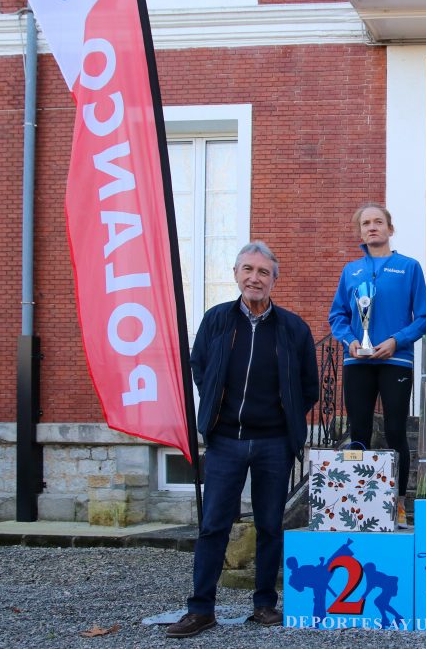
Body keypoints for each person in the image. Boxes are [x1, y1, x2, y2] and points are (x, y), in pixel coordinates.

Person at [166, 241, 319, 639]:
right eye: (248, 269)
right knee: (214, 524)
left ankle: (264, 604)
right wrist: (216, 407)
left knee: (270, 525)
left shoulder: (294, 328)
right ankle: (201, 609)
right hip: (226, 441)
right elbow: (200, 365)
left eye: (263, 272)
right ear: (236, 274)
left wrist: (286, 422)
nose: (255, 278)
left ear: (273, 280)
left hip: (274, 443)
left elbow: (309, 386)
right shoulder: (217, 320)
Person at [328, 204, 426, 527]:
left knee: (394, 431)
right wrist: (350, 341)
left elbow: (424, 318)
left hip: (395, 361)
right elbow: (338, 316)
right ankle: (358, 501)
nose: (372, 228)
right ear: (360, 232)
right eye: (365, 223)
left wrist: (396, 341)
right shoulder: (351, 271)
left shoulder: (409, 268)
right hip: (357, 362)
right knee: (359, 430)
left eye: (378, 222)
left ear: (390, 228)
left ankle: (398, 503)